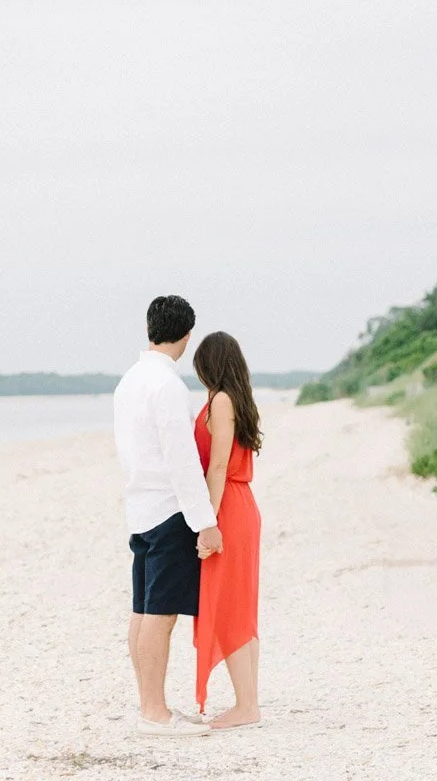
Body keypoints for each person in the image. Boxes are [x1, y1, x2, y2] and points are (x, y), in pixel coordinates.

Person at [113, 294, 220, 737]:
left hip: (139, 508)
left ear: (148, 329)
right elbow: (183, 461)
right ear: (187, 336)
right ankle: (154, 712)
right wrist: (205, 521)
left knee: (142, 609)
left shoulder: (129, 381)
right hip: (167, 511)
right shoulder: (168, 387)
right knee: (160, 614)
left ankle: (148, 705)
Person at [191, 330, 263, 729]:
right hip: (243, 503)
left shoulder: (220, 400)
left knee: (231, 606)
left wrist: (207, 523)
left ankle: (246, 706)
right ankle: (249, 700)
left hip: (229, 508)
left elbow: (217, 466)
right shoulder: (238, 398)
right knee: (242, 604)